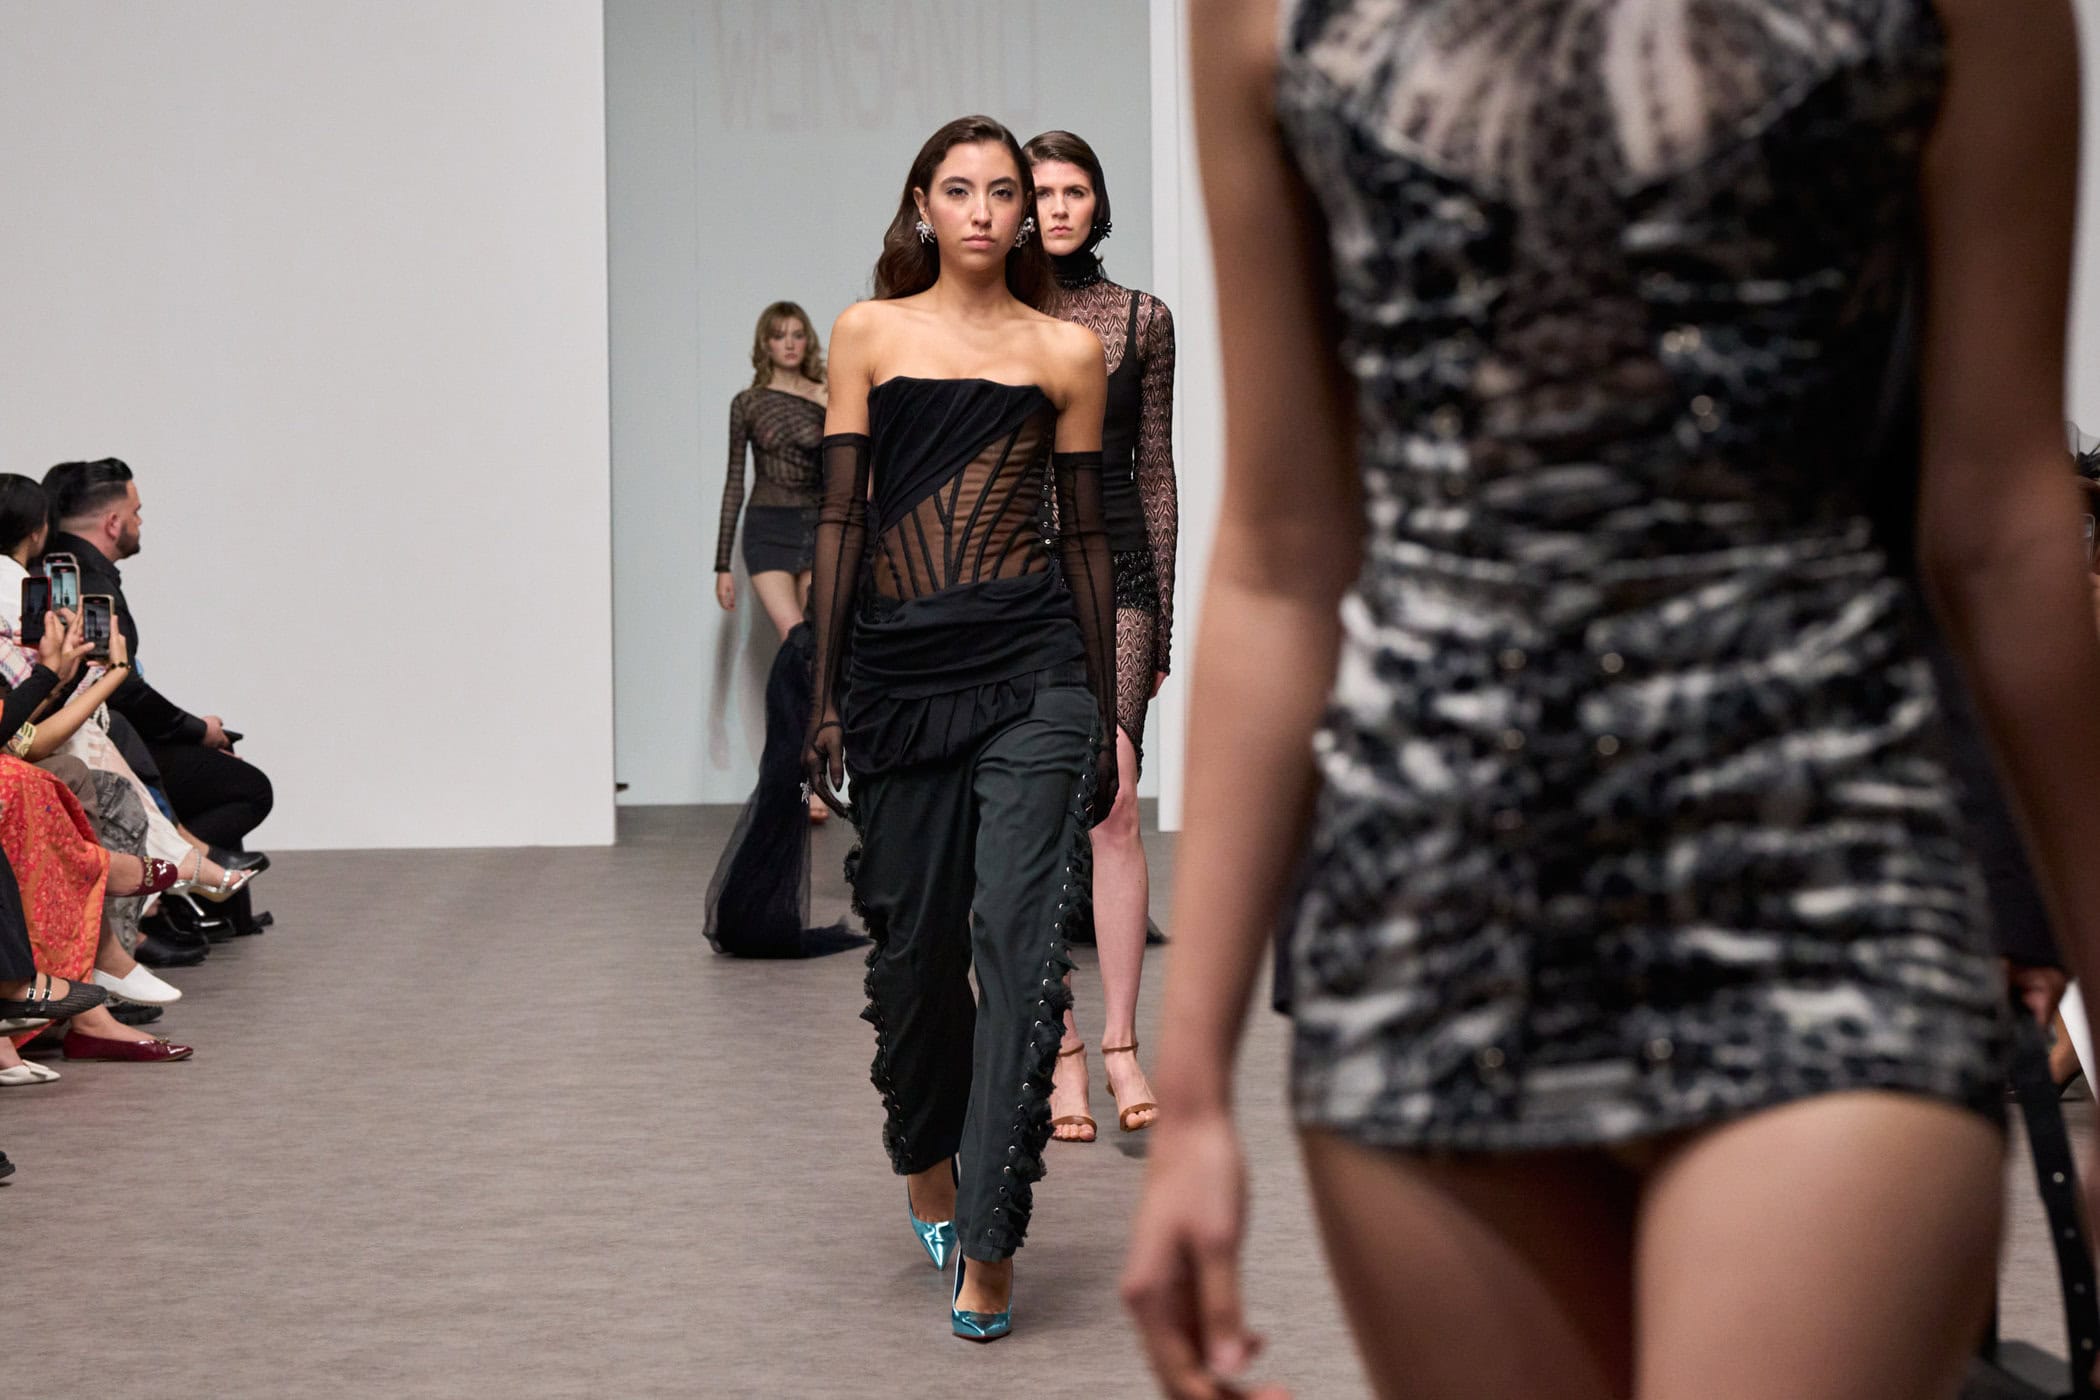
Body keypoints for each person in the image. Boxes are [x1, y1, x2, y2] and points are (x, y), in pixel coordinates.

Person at [1123, 3, 2089, 1397]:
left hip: (1822, 875)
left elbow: (2002, 529)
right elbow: (1282, 555)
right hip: (1430, 919)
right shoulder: (1260, 13)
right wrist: (1194, 1091)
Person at [805, 114, 1117, 1342]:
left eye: (1003, 191)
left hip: (1033, 665)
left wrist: (1109, 710)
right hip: (898, 674)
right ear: (922, 206)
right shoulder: (867, 332)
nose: (984, 210)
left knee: (1020, 944)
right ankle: (928, 1159)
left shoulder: (1066, 350)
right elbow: (841, 518)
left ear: (1026, 210)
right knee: (916, 951)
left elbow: (1086, 539)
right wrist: (825, 691)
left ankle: (990, 1237)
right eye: (959, 189)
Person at [1026, 128, 1176, 1142]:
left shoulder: (1143, 318)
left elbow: (1155, 470)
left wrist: (1162, 615)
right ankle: (1065, 1046)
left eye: (1075, 190)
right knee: (1034, 811)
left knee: (1114, 799)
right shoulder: (993, 317)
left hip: (1117, 568)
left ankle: (1122, 1041)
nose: (1058, 207)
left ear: (1098, 204)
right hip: (1019, 574)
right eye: (1041, 191)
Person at [43, 457, 273, 936]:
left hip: (99, 730)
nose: (140, 522)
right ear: (113, 522)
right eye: (137, 512)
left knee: (222, 766)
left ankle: (191, 892)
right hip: (95, 736)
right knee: (248, 787)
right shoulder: (89, 583)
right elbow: (117, 687)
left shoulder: (62, 570)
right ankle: (174, 881)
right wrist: (197, 729)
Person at [715, 302, 833, 825]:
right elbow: (733, 483)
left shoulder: (828, 396)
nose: (789, 343)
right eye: (779, 335)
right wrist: (722, 564)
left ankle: (813, 776)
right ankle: (796, 779)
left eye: (797, 334)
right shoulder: (747, 403)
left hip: (816, 527)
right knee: (796, 642)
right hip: (766, 530)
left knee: (816, 650)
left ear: (808, 341)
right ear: (764, 343)